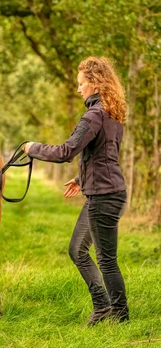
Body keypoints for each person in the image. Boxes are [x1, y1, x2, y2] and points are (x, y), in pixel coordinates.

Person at [23, 56, 129, 326]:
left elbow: (65, 151)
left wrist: (32, 147)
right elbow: (104, 156)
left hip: (104, 197)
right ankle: (104, 307)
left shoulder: (94, 114)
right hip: (104, 191)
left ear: (94, 83)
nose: (78, 88)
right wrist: (80, 179)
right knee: (77, 251)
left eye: (81, 83)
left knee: (106, 260)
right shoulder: (111, 113)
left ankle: (119, 315)